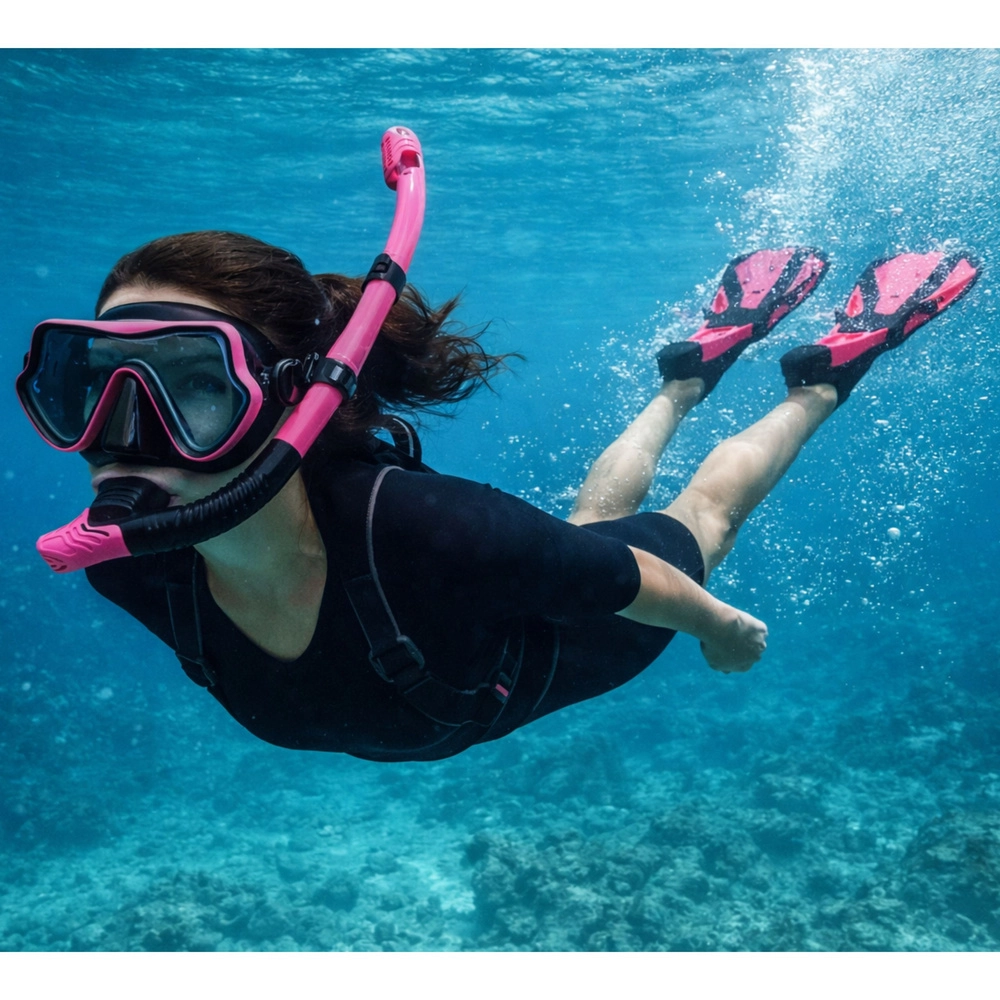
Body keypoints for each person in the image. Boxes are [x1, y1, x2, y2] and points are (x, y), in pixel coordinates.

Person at [16, 236, 979, 761]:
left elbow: (621, 578)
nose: (120, 432)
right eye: (90, 383)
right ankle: (686, 380)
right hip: (503, 597)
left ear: (296, 396)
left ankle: (823, 378)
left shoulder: (425, 528)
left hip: (576, 638)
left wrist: (722, 628)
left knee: (699, 523)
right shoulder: (129, 570)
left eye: (191, 384)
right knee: (579, 535)